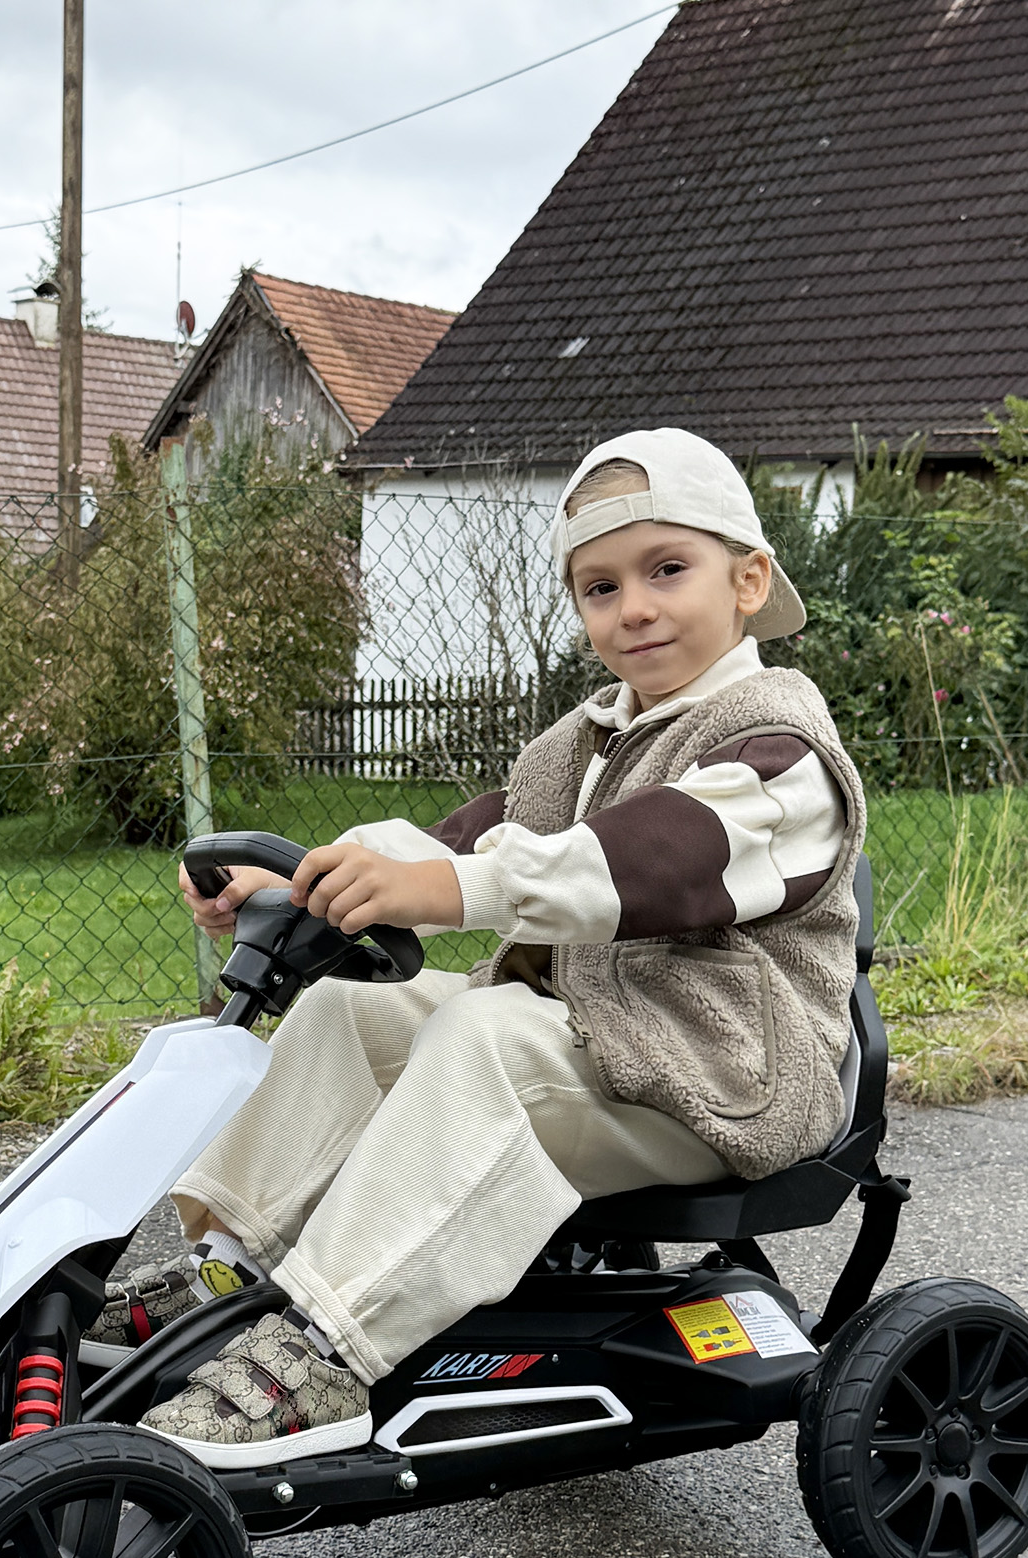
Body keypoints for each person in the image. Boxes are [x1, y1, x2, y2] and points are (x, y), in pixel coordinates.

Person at [106, 428, 867, 1469]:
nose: (633, 607)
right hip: (600, 1037)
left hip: (724, 1070)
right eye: (600, 587)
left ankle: (326, 1350)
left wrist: (444, 887)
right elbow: (458, 844)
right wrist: (303, 886)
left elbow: (644, 862)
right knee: (352, 1007)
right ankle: (228, 1269)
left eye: (666, 570)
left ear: (748, 581)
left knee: (483, 1036)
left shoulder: (781, 750)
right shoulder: (584, 743)